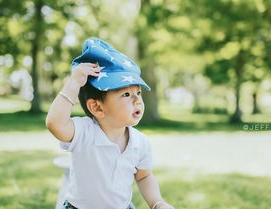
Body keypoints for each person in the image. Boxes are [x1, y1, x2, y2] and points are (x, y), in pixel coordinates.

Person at [46, 38, 175, 209]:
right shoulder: (84, 132)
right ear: (97, 107)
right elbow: (55, 123)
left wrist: (157, 202)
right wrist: (74, 83)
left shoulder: (140, 142)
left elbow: (144, 177)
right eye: (126, 95)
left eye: (138, 92)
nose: (137, 100)